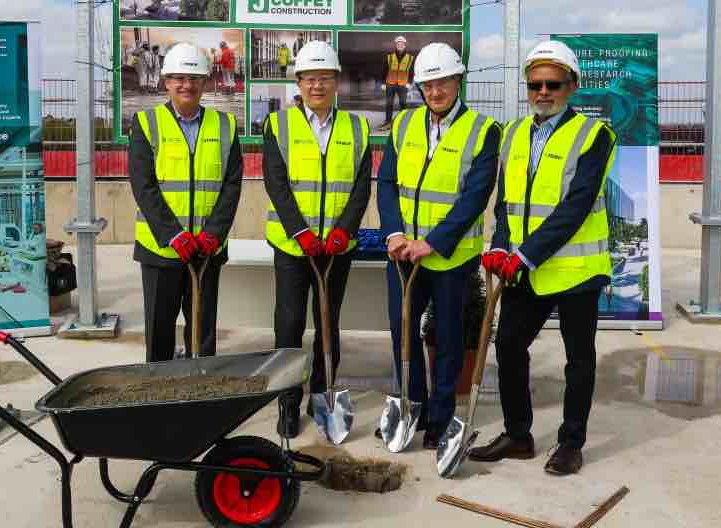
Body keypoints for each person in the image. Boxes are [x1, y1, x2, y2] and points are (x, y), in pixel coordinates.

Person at [468, 40, 616, 476]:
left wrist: (525, 255)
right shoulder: (513, 134)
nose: (543, 92)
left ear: (572, 86)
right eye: (535, 84)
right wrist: (499, 244)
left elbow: (577, 205)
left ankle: (572, 442)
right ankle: (518, 434)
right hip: (523, 268)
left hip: (574, 270)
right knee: (509, 345)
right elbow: (508, 202)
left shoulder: (595, 136)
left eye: (553, 84)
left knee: (579, 360)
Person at [377, 42, 500, 449]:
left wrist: (431, 243)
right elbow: (389, 183)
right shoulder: (403, 125)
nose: (435, 91)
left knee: (448, 338)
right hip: (402, 255)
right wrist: (394, 233)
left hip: (449, 257)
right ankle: (413, 406)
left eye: (443, 81)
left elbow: (474, 197)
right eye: (428, 84)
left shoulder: (483, 130)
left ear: (458, 80)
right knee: (403, 332)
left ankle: (441, 417)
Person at [263, 41, 372, 437]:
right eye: (310, 78)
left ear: (337, 82)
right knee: (289, 325)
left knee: (328, 324)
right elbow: (276, 184)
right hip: (294, 247)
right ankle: (288, 404)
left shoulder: (357, 128)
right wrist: (301, 233)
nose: (318, 86)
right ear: (299, 83)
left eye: (325, 78)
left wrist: (344, 231)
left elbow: (361, 187)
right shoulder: (278, 125)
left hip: (336, 248)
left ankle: (323, 397)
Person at [129, 42, 243, 362]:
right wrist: (173, 235)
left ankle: (200, 395)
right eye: (178, 78)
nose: (186, 85)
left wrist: (214, 234)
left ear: (206, 82)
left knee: (202, 335)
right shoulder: (146, 123)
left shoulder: (225, 125)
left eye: (194, 78)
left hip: (206, 250)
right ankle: (159, 399)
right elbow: (143, 185)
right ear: (166, 81)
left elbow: (231, 186)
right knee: (159, 332)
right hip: (161, 250)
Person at [379, 35, 414, 132]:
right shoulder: (389, 57)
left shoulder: (410, 58)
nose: (400, 45)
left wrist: (410, 82)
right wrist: (383, 83)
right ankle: (388, 122)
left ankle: (403, 122)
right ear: (396, 45)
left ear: (405, 45)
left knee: (403, 103)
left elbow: (412, 71)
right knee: (389, 103)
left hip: (403, 84)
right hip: (390, 83)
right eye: (398, 43)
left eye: (402, 44)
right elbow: (384, 70)